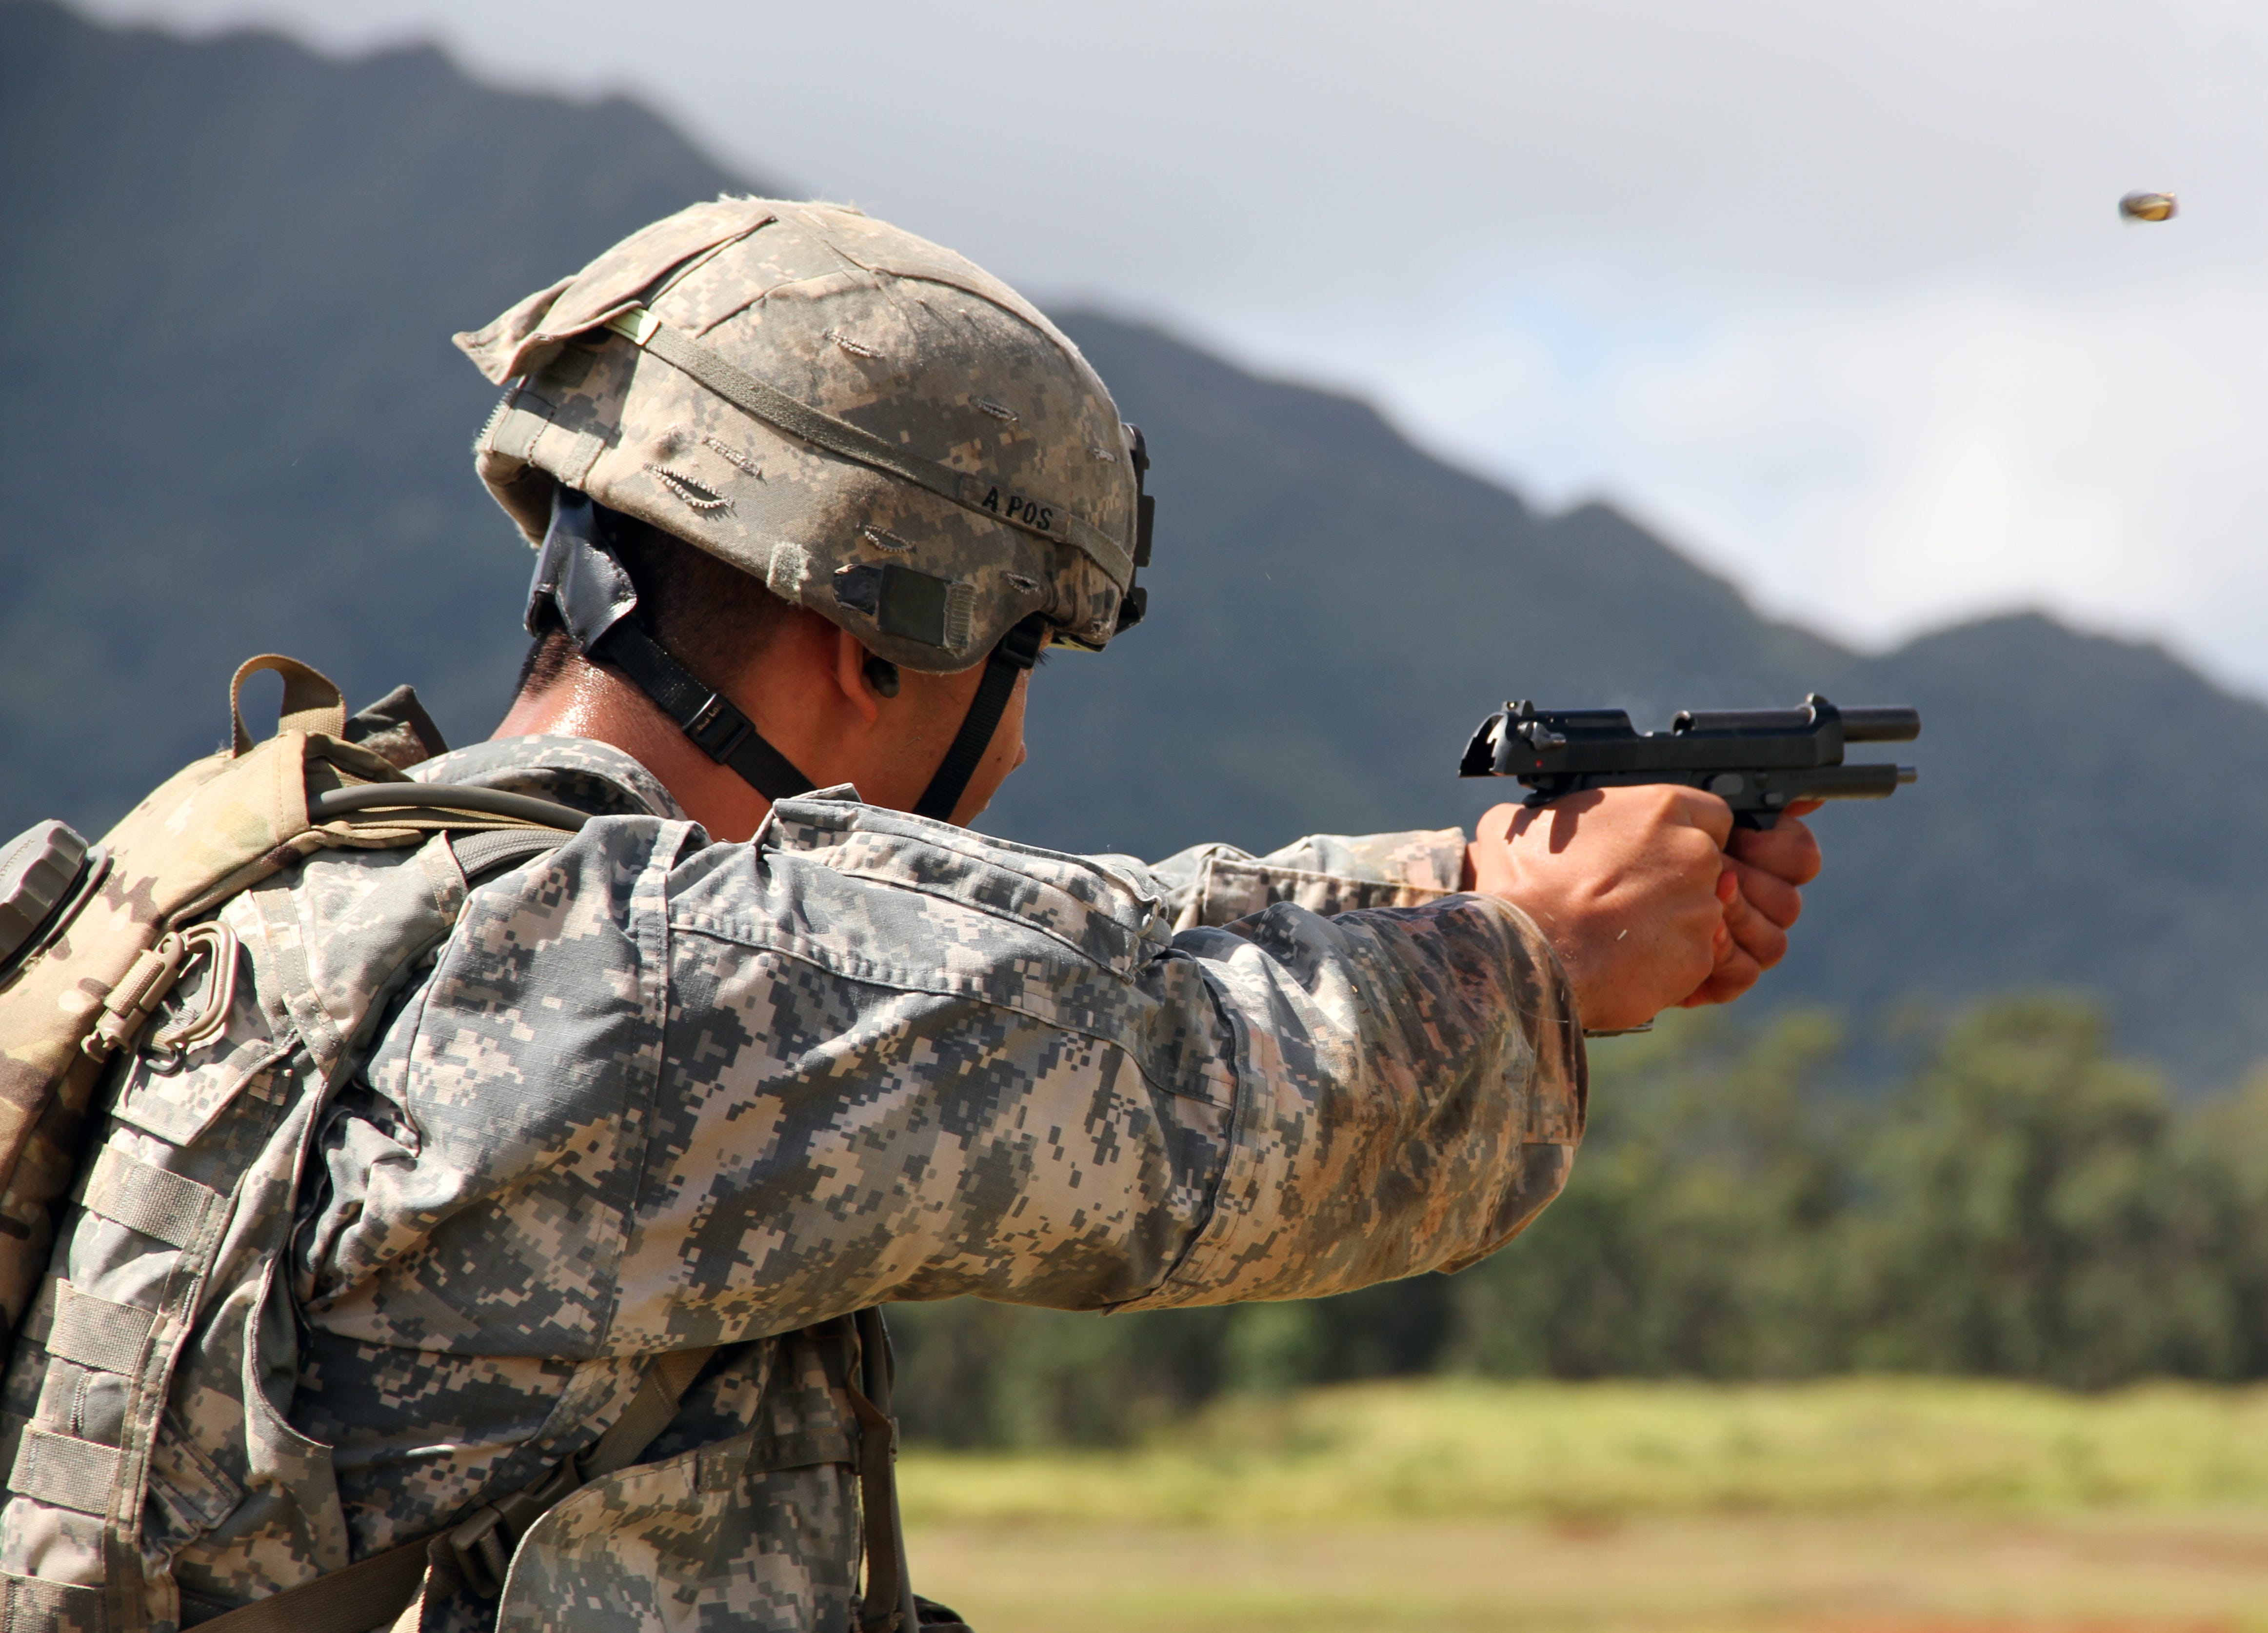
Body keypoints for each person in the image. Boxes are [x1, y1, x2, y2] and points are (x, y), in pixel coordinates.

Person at [0, 199, 1819, 1633]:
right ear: (875, 639)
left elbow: (1027, 942)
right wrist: (1537, 959)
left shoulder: (329, 870)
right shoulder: (646, 991)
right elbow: (1187, 1095)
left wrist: (1464, 880)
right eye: (1017, 664)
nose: (1018, 744)